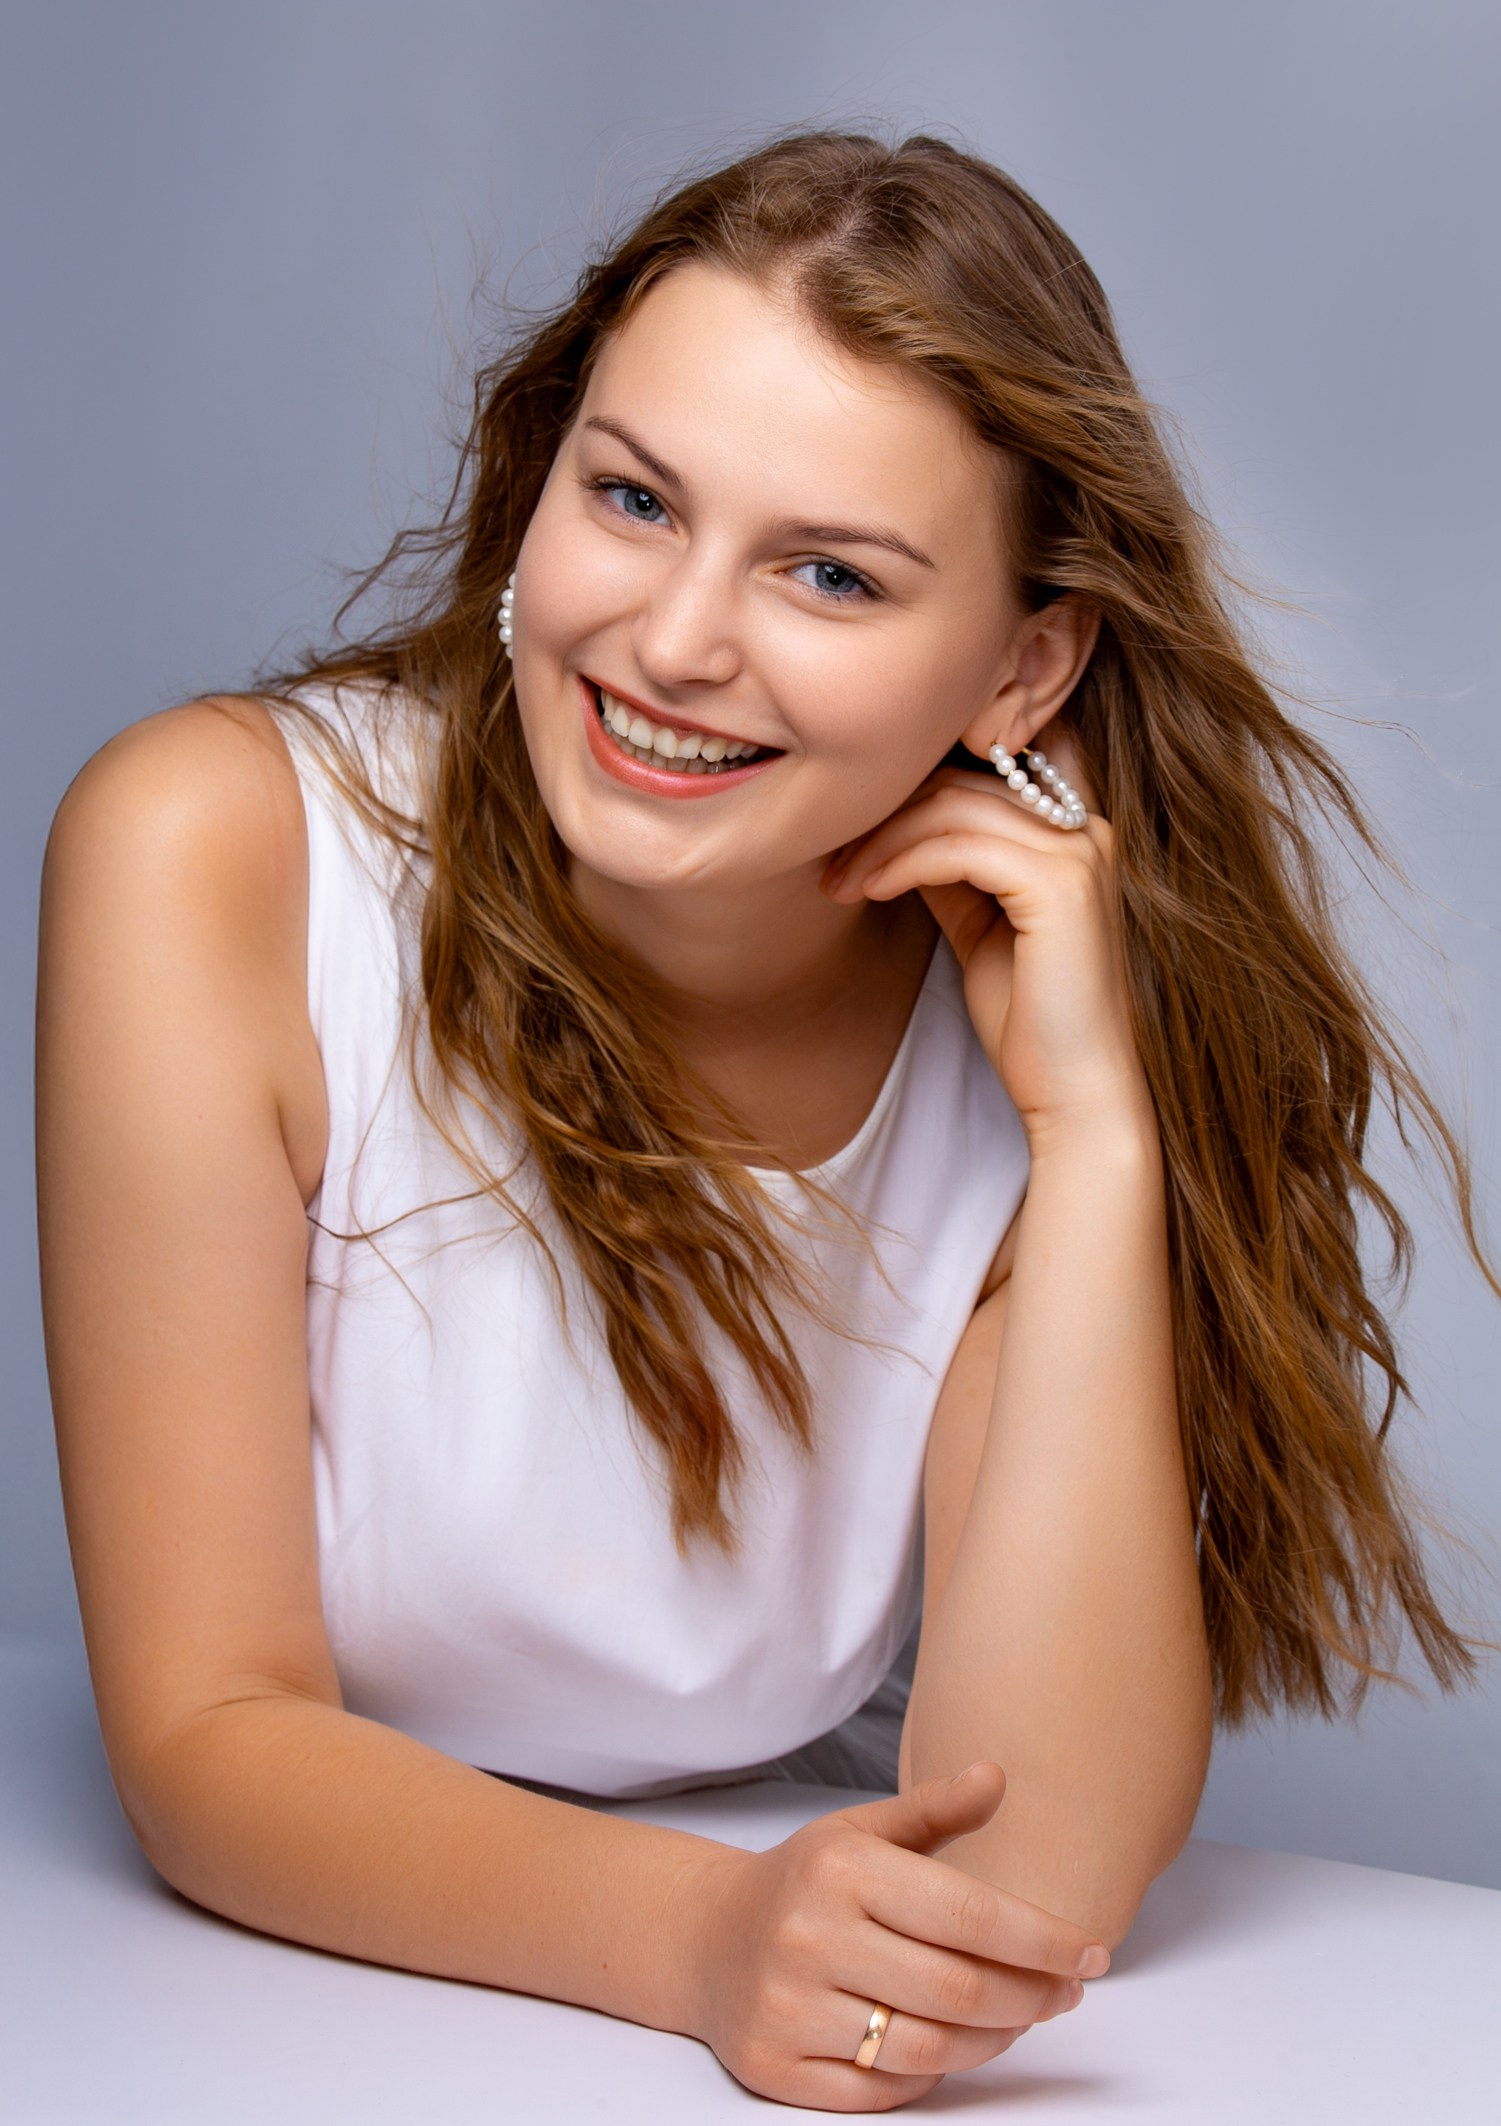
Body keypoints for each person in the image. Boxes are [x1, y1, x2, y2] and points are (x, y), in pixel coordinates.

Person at [35, 129, 1495, 2112]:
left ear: (1022, 667)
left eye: (828, 573)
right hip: (295, 2025)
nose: (672, 641)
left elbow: (1033, 1878)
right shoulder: (214, 854)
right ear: (540, 480)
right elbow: (207, 1729)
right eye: (633, 498)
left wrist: (1093, 1139)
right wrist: (700, 1941)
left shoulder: (1035, 1009)